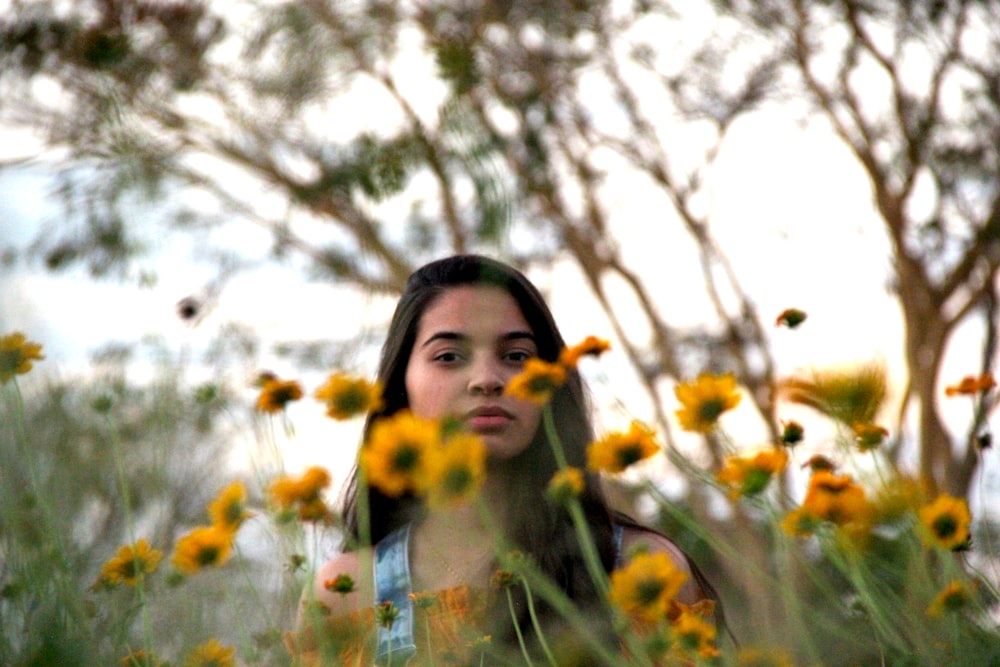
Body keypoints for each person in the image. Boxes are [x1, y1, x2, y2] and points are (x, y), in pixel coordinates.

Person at [287, 255, 723, 666]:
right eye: (449, 357)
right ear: (401, 386)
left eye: (516, 356)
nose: (487, 380)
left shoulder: (638, 570)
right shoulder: (344, 596)